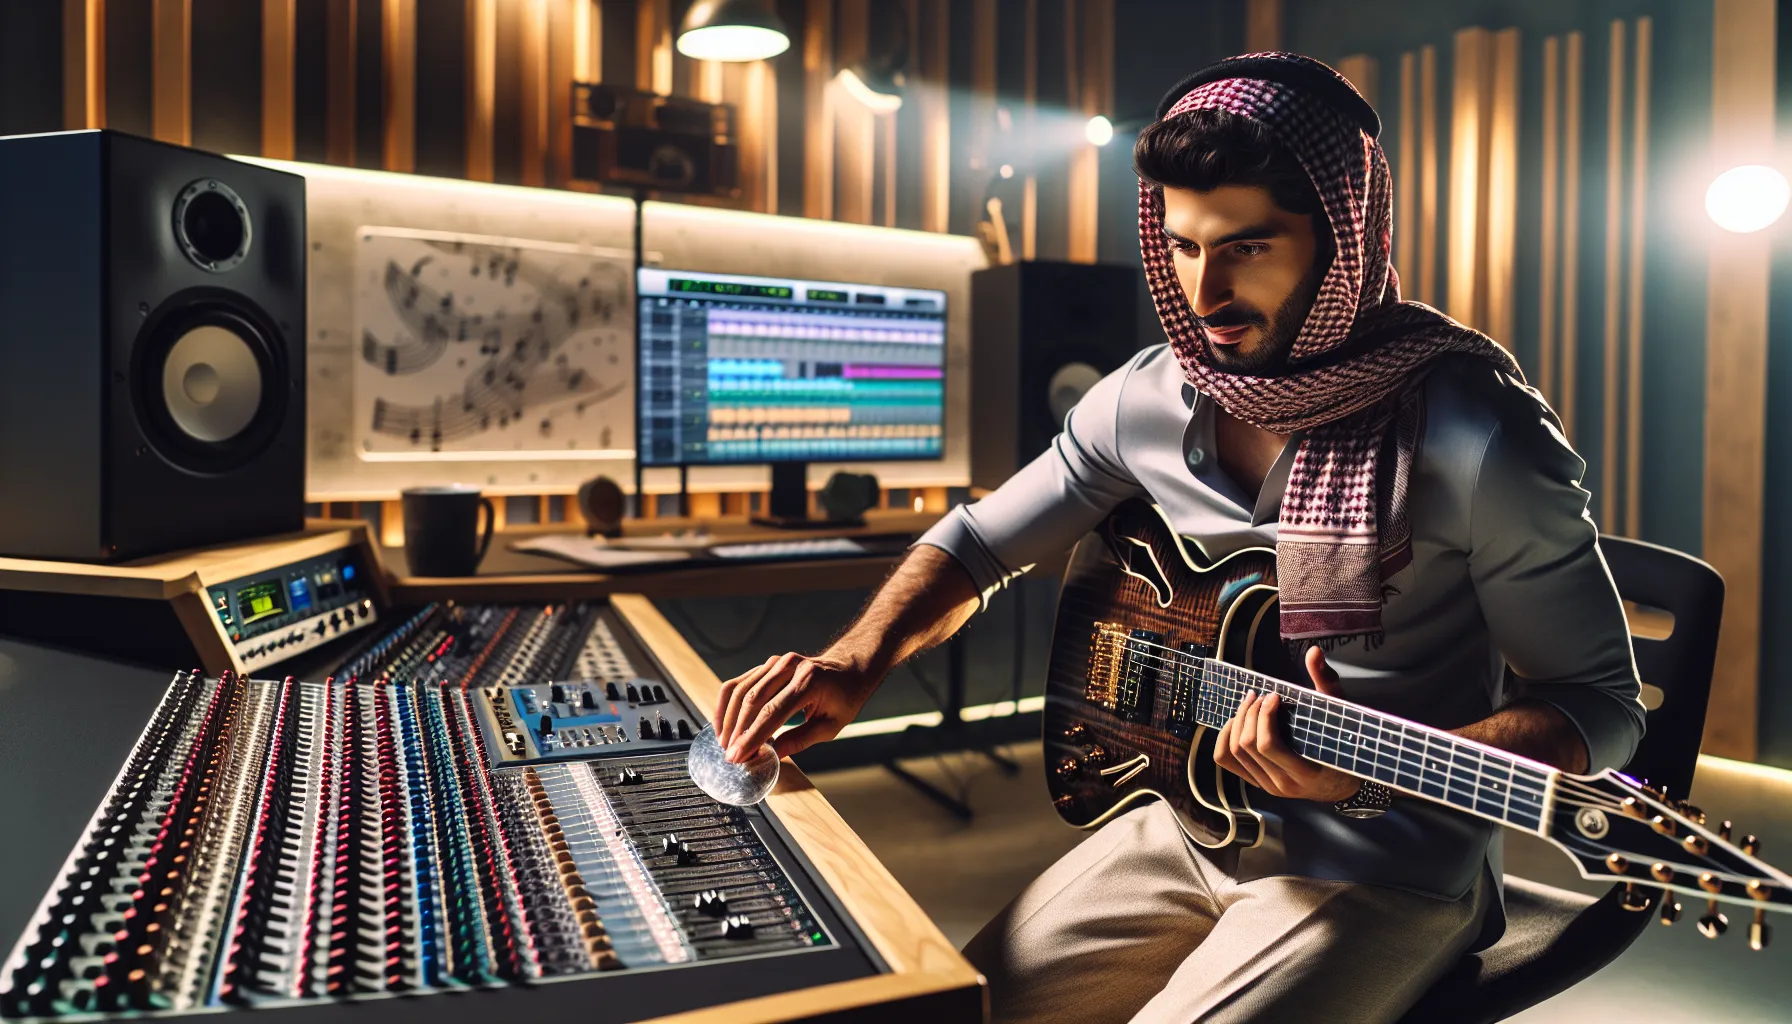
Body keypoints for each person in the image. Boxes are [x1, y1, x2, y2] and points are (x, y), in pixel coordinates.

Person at [711, 52, 1643, 1024]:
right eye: (1184, 246)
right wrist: (856, 659)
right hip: (1187, 830)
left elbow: (1598, 708)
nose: (1204, 292)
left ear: (1343, 237)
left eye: (1246, 247)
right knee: (953, 1009)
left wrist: (1368, 763)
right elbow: (981, 542)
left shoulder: (1480, 436)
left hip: (1388, 870)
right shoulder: (1148, 396)